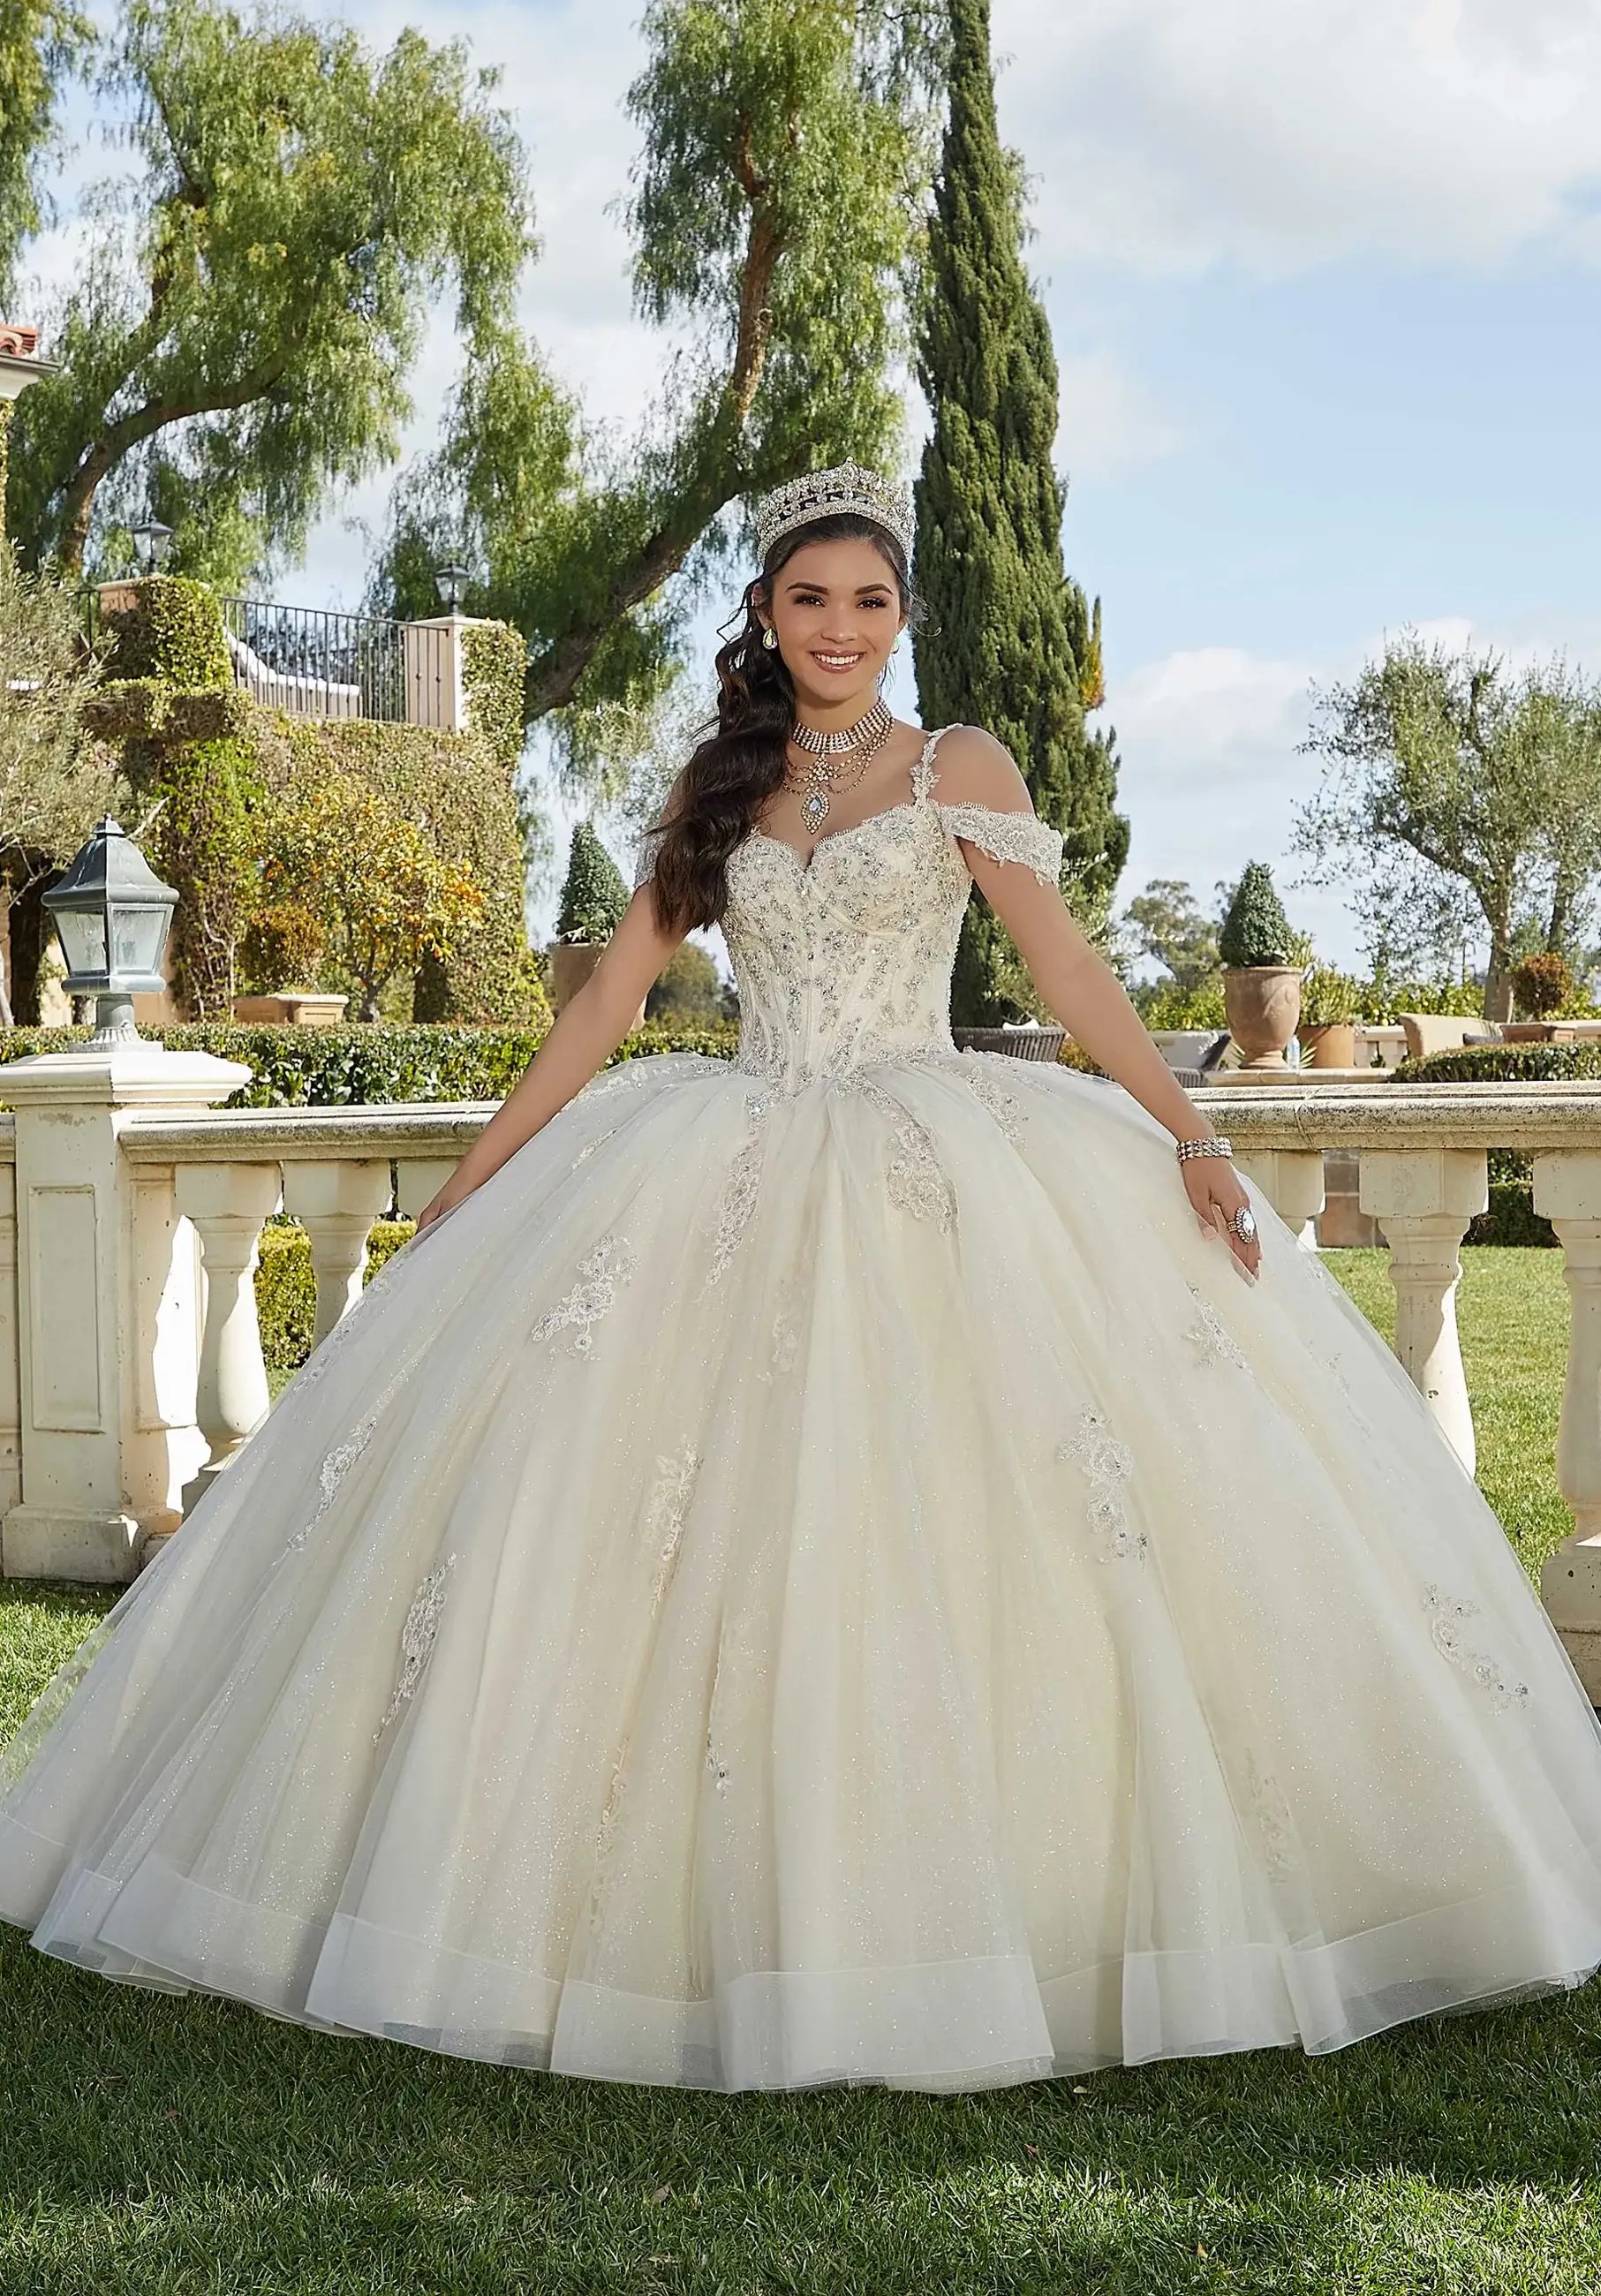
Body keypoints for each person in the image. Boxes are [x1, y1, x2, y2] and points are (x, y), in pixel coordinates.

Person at [3, 463, 1600, 2095]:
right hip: (731, 1148)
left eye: (870, 601)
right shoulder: (722, 782)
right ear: (765, 615)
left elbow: (1058, 961)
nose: (840, 628)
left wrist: (1185, 1126)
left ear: (901, 618)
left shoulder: (954, 763)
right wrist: (478, 1184)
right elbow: (610, 999)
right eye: (808, 598)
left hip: (937, 1142)